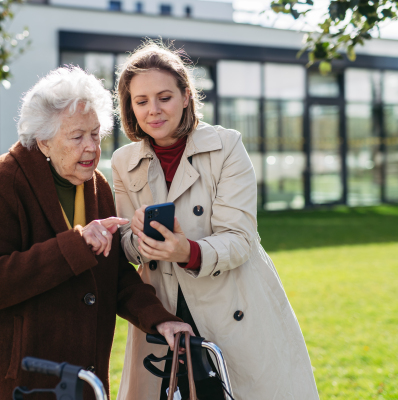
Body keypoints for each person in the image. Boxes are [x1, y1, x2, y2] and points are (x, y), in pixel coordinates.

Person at [0, 66, 192, 400]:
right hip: (14, 379)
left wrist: (159, 319)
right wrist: (74, 246)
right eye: (77, 137)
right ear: (44, 141)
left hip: (76, 379)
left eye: (96, 134)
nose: (91, 148)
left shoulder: (97, 187)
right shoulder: (0, 182)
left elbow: (115, 275)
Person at [111, 43, 320, 400]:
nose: (154, 110)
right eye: (141, 101)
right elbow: (126, 243)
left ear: (186, 96)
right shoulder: (122, 161)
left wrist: (187, 251)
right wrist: (139, 239)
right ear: (129, 106)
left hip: (233, 308)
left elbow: (240, 238)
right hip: (165, 313)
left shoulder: (226, 146)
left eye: (164, 97)